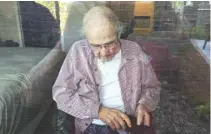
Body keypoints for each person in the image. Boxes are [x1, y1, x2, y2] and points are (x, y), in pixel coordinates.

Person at [52, 6, 161, 134]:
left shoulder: (134, 50)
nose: (104, 52)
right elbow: (61, 93)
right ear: (87, 38)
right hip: (92, 126)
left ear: (118, 34)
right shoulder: (78, 52)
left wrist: (144, 104)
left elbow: (152, 87)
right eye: (96, 46)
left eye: (110, 43)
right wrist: (98, 111)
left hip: (130, 122)